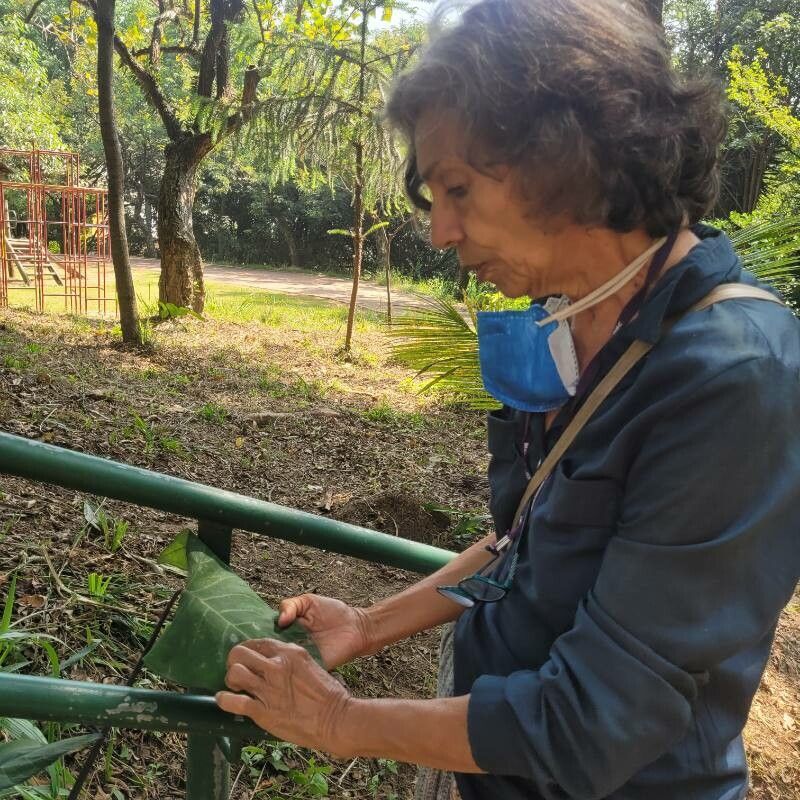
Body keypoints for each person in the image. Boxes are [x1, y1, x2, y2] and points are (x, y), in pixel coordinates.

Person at [215, 1, 800, 797]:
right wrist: (367, 625)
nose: (440, 233)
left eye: (457, 188)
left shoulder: (735, 379)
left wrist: (337, 720)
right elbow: (527, 539)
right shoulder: (574, 312)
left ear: (570, 152)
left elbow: (592, 722)